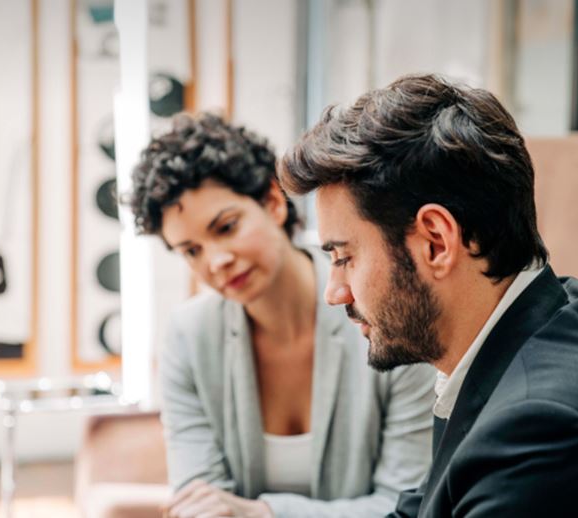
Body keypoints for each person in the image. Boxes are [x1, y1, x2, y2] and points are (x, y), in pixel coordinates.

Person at [277, 74, 578, 517]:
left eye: (343, 258)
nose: (334, 294)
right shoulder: (544, 319)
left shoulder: (542, 431)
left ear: (436, 242)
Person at [126, 113, 434, 518]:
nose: (216, 261)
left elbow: (407, 506)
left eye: (226, 227)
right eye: (191, 250)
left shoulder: (385, 312)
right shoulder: (188, 337)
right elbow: (200, 504)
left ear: (273, 201)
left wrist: (265, 514)